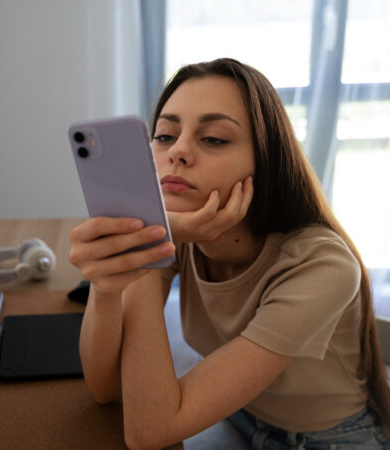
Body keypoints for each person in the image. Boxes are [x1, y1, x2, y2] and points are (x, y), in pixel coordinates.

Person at [69, 59, 390, 449]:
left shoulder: (323, 266)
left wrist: (144, 250)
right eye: (165, 136)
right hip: (238, 412)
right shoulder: (182, 234)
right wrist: (106, 287)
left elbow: (148, 431)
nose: (179, 152)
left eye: (214, 139)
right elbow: (104, 388)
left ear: (265, 161)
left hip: (329, 439)